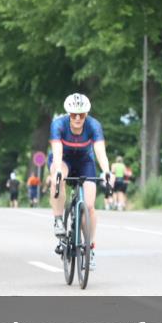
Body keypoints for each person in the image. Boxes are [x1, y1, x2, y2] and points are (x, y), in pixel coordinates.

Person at [49, 93, 115, 267]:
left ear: (86, 114)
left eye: (81, 114)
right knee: (58, 177)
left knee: (90, 207)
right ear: (68, 113)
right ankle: (57, 219)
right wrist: (57, 171)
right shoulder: (58, 125)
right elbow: (56, 152)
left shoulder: (94, 125)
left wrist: (107, 171)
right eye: (73, 114)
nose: (77, 118)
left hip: (85, 161)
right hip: (63, 159)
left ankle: (89, 247)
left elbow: (100, 151)